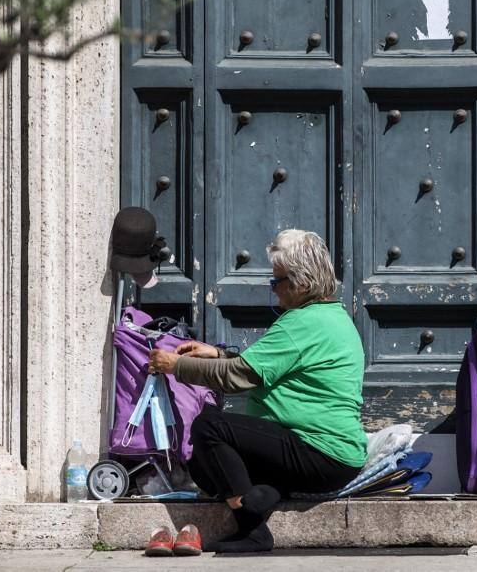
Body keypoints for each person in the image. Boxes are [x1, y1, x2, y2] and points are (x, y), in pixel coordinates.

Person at [148, 229, 367, 553]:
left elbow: (238, 378)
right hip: (331, 458)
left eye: (276, 282)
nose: (273, 291)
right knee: (207, 467)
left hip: (318, 450)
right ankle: (263, 494)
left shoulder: (301, 324)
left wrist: (175, 366)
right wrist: (218, 354)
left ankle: (252, 528)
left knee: (209, 426)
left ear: (301, 284)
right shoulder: (332, 317)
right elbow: (267, 367)